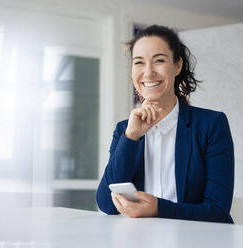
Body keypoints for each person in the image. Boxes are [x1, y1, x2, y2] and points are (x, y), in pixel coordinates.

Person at [96, 25, 234, 223]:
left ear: (177, 66)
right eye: (139, 63)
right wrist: (131, 137)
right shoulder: (124, 130)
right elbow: (106, 204)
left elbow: (218, 211)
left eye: (159, 60)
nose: (148, 72)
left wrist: (159, 208)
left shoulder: (211, 125)